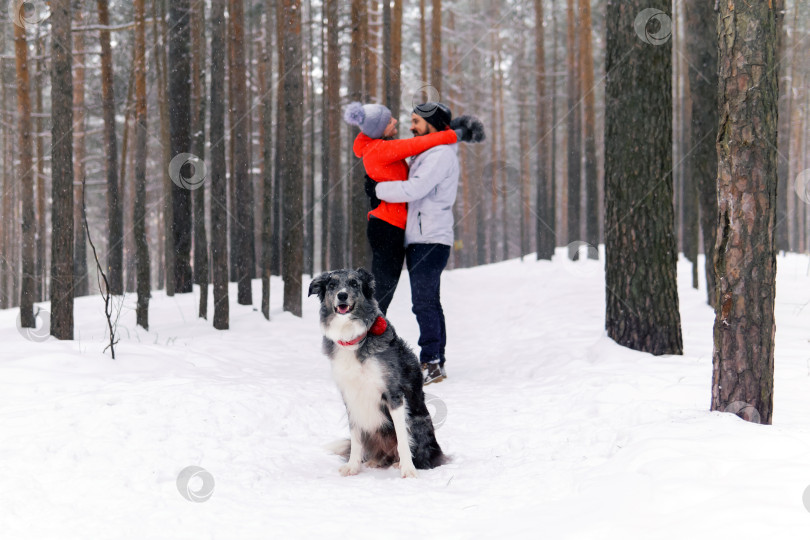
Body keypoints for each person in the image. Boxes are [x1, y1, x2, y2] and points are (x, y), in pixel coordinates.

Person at [374, 102, 485, 384]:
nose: (411, 126)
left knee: (424, 301)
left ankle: (432, 362)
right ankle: (434, 360)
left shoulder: (439, 155)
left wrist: (378, 189)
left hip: (431, 238)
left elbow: (415, 189)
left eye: (416, 121)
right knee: (427, 301)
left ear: (432, 123)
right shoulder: (428, 152)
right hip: (421, 236)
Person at [343, 102, 475, 315]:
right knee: (383, 290)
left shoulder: (375, 145)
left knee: (383, 289)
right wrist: (457, 133)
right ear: (379, 129)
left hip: (388, 226)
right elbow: (423, 142)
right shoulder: (382, 148)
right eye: (389, 121)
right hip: (387, 227)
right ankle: (361, 338)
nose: (395, 121)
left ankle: (364, 336)